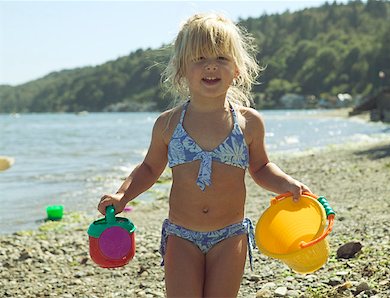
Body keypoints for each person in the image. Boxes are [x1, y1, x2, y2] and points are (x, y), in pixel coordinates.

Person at [97, 13, 311, 297]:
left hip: (230, 234)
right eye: (199, 58)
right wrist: (123, 195)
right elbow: (149, 168)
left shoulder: (249, 123)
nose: (211, 65)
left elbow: (261, 168)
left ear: (236, 68)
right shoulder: (168, 124)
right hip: (182, 235)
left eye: (221, 58)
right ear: (183, 69)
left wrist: (287, 183)